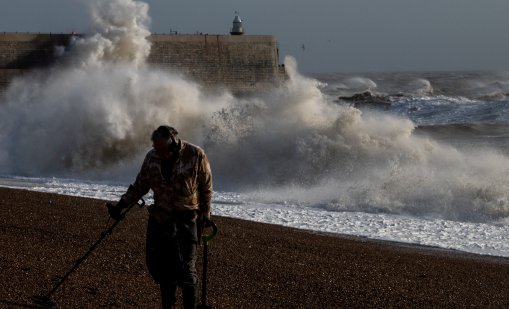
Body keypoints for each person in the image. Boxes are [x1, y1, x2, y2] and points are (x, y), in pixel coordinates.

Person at [107, 125, 213, 309]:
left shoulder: (196, 155)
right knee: (162, 270)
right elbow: (140, 185)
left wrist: (205, 215)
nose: (160, 153)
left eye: (163, 149)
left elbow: (206, 188)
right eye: (157, 148)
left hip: (186, 220)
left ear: (174, 144)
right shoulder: (151, 157)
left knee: (187, 271)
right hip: (160, 220)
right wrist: (121, 206)